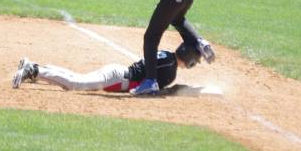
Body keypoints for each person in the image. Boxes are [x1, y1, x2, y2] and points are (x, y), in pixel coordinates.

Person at [12, 42, 201, 93]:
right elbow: (147, 90)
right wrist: (173, 91)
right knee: (76, 84)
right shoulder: (171, 71)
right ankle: (34, 70)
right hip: (119, 79)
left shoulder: (167, 55)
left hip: (118, 72)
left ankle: (34, 68)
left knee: (77, 79)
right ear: (190, 59)